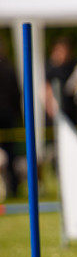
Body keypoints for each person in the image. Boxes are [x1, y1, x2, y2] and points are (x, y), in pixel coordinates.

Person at [0, 37, 21, 198]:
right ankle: (13, 187)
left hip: (6, 117)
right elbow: (17, 94)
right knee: (10, 156)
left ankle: (12, 187)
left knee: (10, 156)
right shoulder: (9, 68)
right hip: (8, 116)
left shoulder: (8, 68)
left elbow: (16, 93)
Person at [45, 37, 77, 123]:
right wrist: (50, 105)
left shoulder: (72, 66)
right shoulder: (49, 69)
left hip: (71, 112)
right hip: (54, 114)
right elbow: (45, 89)